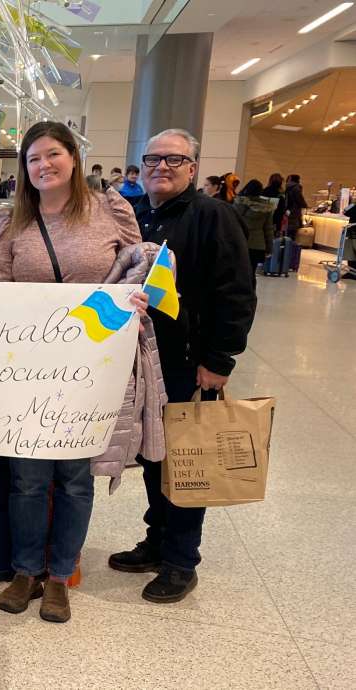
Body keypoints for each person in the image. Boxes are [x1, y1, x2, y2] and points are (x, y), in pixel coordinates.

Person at [0, 121, 145, 623]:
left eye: (52, 155)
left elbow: (141, 263)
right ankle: (26, 570)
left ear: (73, 158)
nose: (43, 165)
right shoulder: (13, 223)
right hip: (28, 372)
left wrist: (138, 295)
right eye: (33, 159)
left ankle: (60, 576)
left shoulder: (108, 211)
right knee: (27, 479)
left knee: (75, 479)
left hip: (88, 369)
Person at [112, 128, 256, 603]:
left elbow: (236, 291)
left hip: (189, 364)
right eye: (153, 159)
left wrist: (220, 360)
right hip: (144, 363)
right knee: (154, 456)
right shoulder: (138, 216)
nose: (162, 167)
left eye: (175, 160)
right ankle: (156, 541)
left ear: (193, 169)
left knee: (185, 461)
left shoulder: (213, 216)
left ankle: (181, 560)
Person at [234, 179, 277, 282]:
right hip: (257, 245)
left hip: (239, 242)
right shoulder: (266, 207)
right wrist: (269, 248)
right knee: (251, 273)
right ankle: (250, 294)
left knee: (237, 272)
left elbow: (231, 223)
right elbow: (268, 229)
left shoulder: (238, 203)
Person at [284, 173, 308, 238]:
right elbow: (299, 199)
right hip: (294, 210)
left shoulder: (286, 187)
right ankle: (291, 243)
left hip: (287, 210)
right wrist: (305, 206)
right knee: (293, 229)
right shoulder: (296, 188)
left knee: (288, 227)